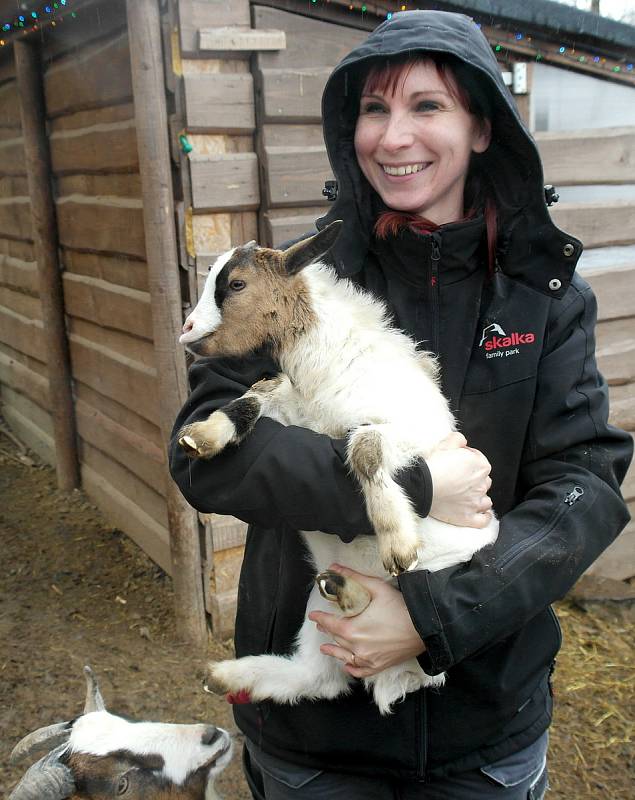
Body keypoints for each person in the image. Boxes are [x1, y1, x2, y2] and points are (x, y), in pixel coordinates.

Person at [169, 10, 632, 799]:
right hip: (317, 743)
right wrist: (416, 486)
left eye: (427, 106)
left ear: (481, 128)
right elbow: (208, 457)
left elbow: (583, 483)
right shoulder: (286, 286)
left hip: (481, 727)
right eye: (374, 110)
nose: (392, 136)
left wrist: (433, 614)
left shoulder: (540, 296)